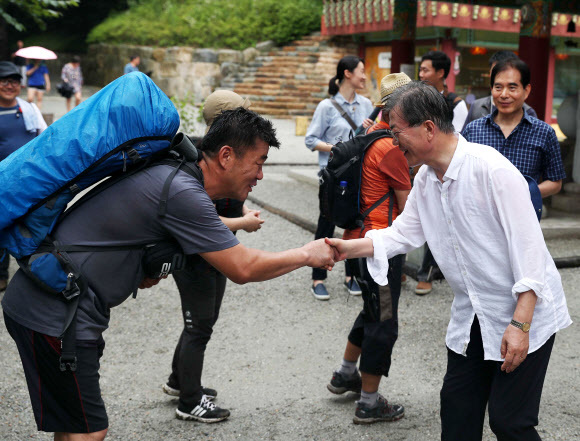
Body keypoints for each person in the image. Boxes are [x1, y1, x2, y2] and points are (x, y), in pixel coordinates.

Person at [2, 107, 336, 440]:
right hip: (55, 314)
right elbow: (243, 268)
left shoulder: (176, 172)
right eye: (259, 162)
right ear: (226, 156)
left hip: (51, 303)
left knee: (76, 427)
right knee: (89, 433)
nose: (260, 174)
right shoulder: (183, 192)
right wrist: (308, 253)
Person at [326, 81, 571, 441]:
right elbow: (402, 235)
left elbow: (530, 253)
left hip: (523, 314)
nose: (393, 142)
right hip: (473, 313)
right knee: (456, 413)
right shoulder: (426, 179)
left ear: (427, 127)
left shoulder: (493, 171)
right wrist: (342, 248)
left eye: (397, 132)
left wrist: (520, 326)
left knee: (509, 422)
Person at [161, 90, 263, 423]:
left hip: (217, 251)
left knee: (200, 321)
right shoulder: (205, 160)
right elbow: (198, 217)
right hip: (200, 257)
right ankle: (189, 401)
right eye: (242, 114)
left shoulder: (220, 156)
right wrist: (242, 222)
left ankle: (180, 381)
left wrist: (242, 208)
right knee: (199, 326)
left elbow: (222, 203)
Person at [327, 73, 411, 425]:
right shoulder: (391, 147)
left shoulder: (367, 135)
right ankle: (369, 401)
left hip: (357, 239)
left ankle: (346, 373)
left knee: (372, 309)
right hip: (379, 248)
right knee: (384, 323)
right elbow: (409, 210)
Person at [305, 55, 374, 300]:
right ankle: (318, 278)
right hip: (332, 178)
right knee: (327, 223)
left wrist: (370, 129)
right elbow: (310, 140)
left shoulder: (367, 104)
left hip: (358, 176)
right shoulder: (326, 107)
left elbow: (371, 139)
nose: (365, 76)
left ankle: (351, 276)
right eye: (361, 71)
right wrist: (336, 149)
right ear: (347, 73)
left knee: (355, 226)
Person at [462, 58, 565, 199]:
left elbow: (555, 181)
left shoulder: (544, 132)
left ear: (526, 90)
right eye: (498, 87)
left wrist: (522, 193)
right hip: (479, 217)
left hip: (523, 217)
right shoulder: (473, 130)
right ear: (492, 89)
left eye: (512, 88)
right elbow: (460, 174)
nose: (504, 95)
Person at [415, 50, 468, 296]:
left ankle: (426, 272)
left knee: (437, 217)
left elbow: (453, 139)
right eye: (421, 69)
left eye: (426, 70)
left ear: (441, 73)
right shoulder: (415, 98)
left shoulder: (456, 104)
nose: (421, 74)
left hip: (439, 168)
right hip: (412, 163)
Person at [0, 61, 47, 292]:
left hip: (28, 183)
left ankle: (34, 276)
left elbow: (46, 139)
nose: (10, 85)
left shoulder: (29, 109)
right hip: (0, 185)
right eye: (4, 81)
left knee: (32, 229)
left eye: (15, 81)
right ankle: (1, 276)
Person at [462, 51, 537, 130]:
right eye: (495, 71)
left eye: (511, 87)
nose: (504, 95)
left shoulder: (528, 112)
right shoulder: (477, 106)